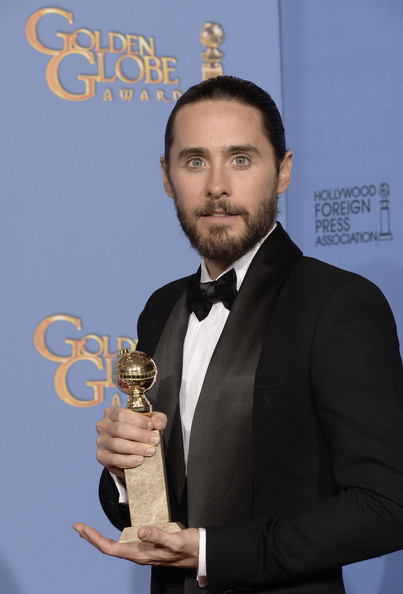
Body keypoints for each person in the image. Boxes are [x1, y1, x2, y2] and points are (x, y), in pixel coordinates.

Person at [74, 76, 403, 594]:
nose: (216, 186)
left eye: (241, 159)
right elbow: (151, 514)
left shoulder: (337, 304)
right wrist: (125, 469)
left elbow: (388, 506)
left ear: (283, 171)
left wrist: (213, 551)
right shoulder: (161, 308)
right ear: (167, 176)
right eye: (195, 161)